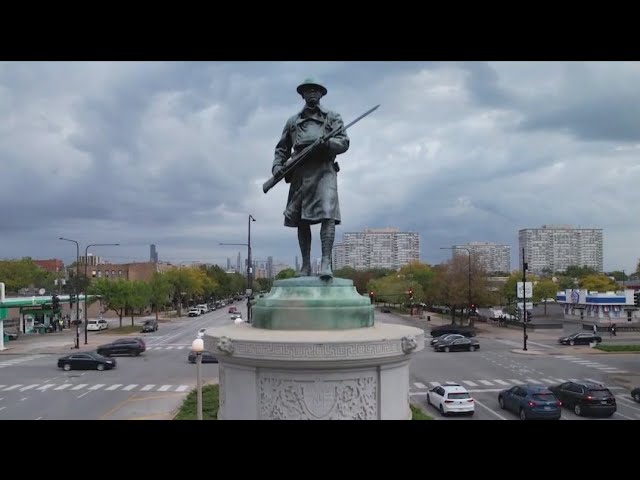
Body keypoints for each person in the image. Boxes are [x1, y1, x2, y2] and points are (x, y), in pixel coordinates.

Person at [271, 78, 350, 279]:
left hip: (324, 170)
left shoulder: (332, 117)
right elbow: (282, 148)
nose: (312, 93)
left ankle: (325, 263)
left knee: (327, 214)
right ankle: (305, 265)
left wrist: (326, 144)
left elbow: (344, 142)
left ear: (322, 94)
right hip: (300, 172)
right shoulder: (293, 122)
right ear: (303, 95)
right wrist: (278, 167)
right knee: (301, 219)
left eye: (316, 90)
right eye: (308, 90)